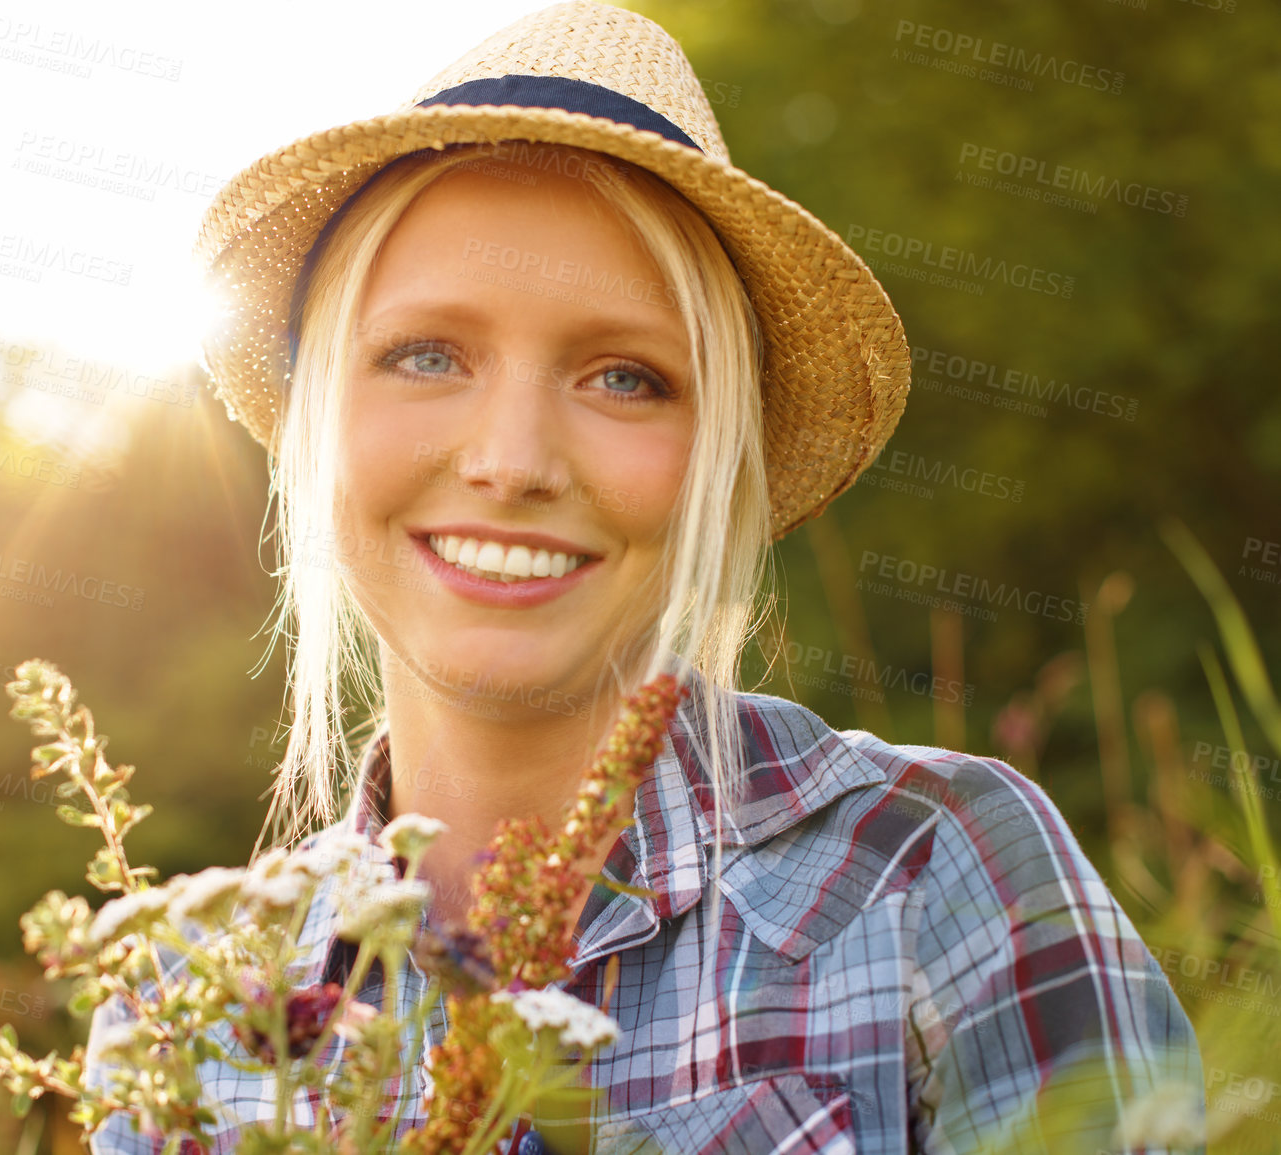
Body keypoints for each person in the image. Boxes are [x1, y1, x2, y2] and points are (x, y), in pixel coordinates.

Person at [87, 3, 1204, 1151]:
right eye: (426, 355)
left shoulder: (932, 872)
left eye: (625, 377)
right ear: (323, 421)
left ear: (717, 464)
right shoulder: (183, 1012)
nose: (511, 462)